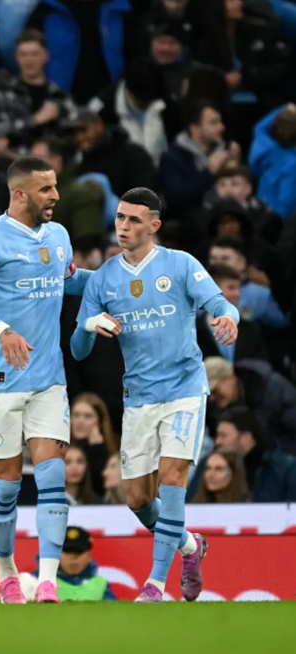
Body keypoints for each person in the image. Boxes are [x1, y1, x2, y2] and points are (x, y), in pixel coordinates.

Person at [71, 187, 238, 602]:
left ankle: (156, 584)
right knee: (138, 498)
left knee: (172, 478)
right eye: (120, 218)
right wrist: (89, 326)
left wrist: (228, 319)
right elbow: (78, 350)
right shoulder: (106, 277)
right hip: (139, 397)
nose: (123, 226)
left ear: (154, 226)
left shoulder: (180, 265)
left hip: (184, 388)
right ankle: (189, 545)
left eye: (133, 220)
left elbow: (220, 303)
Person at [0, 156, 93, 604]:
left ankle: (47, 580)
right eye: (46, 189)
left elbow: (66, 281)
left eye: (55, 187)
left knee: (53, 475)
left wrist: (119, 277)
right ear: (20, 194)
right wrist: (1, 329)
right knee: (6, 484)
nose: (55, 196)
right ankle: (7, 571)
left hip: (48, 376)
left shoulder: (59, 236)